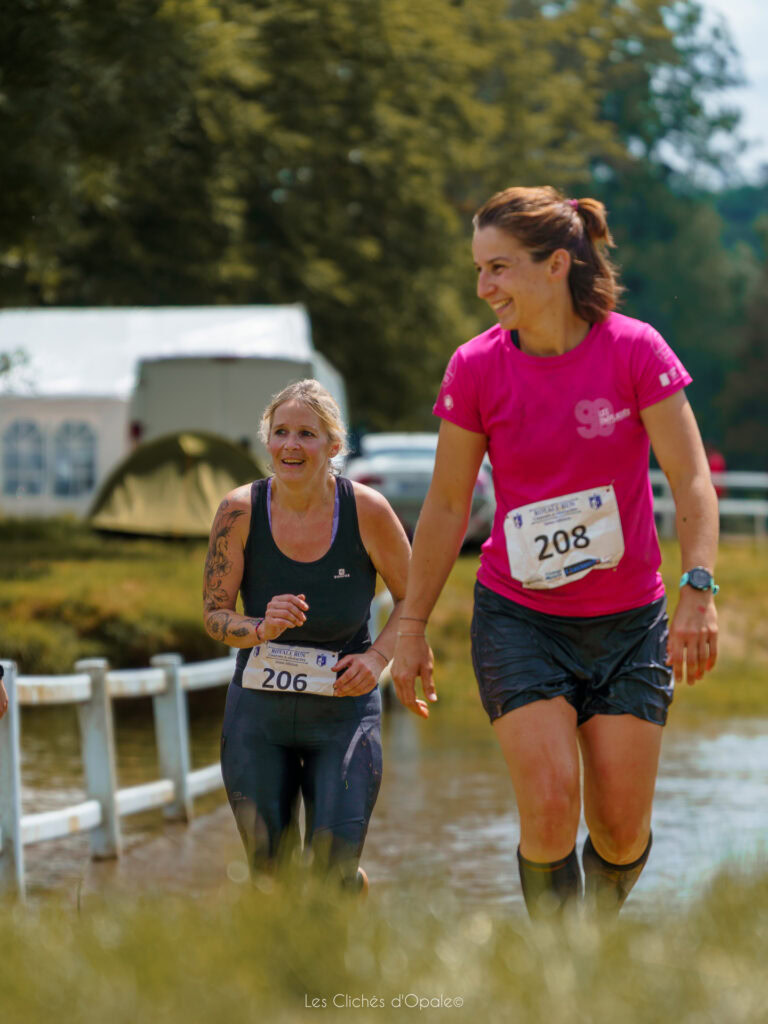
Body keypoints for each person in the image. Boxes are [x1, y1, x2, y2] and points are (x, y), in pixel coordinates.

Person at [391, 186, 719, 918]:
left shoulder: (635, 350)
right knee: (547, 807)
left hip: (630, 624)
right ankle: (557, 979)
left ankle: (589, 952)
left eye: (499, 268)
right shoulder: (475, 367)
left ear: (556, 266)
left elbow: (692, 479)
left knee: (621, 829)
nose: (484, 288)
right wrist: (409, 626)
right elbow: (447, 506)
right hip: (519, 618)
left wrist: (697, 590)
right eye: (479, 270)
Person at [203, 379, 409, 892]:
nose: (291, 446)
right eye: (280, 433)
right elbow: (213, 614)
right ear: (267, 441)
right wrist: (259, 627)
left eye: (307, 434)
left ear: (334, 446)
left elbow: (415, 599)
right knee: (269, 875)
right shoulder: (238, 511)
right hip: (258, 717)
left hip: (342, 712)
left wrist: (378, 657)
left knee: (332, 874)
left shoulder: (367, 511)